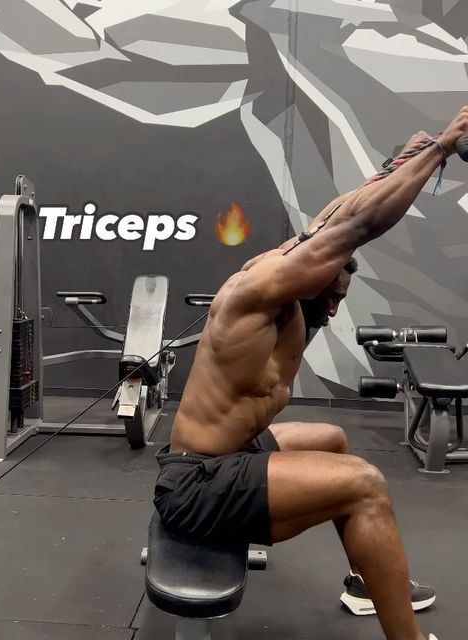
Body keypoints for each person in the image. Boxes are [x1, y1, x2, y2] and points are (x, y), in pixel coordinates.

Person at [154, 108, 468, 640]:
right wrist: (442, 151)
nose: (336, 310)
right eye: (335, 296)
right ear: (313, 274)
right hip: (197, 485)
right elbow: (352, 227)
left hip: (235, 454)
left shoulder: (297, 291)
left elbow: (332, 220)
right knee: (365, 484)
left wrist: (404, 158)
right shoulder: (259, 291)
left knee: (333, 438)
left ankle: (366, 581)